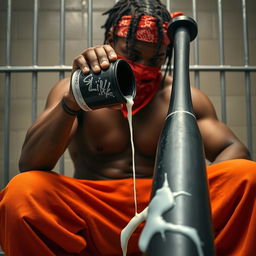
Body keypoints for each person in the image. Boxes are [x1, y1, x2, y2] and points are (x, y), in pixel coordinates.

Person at [0, 0, 256, 255]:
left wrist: (185, 191)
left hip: (167, 209)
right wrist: (73, 98)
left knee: (248, 176)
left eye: (155, 58)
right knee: (22, 193)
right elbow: (31, 164)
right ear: (111, 40)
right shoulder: (75, 91)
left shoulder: (181, 97)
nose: (143, 67)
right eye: (133, 55)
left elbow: (233, 150)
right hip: (96, 213)